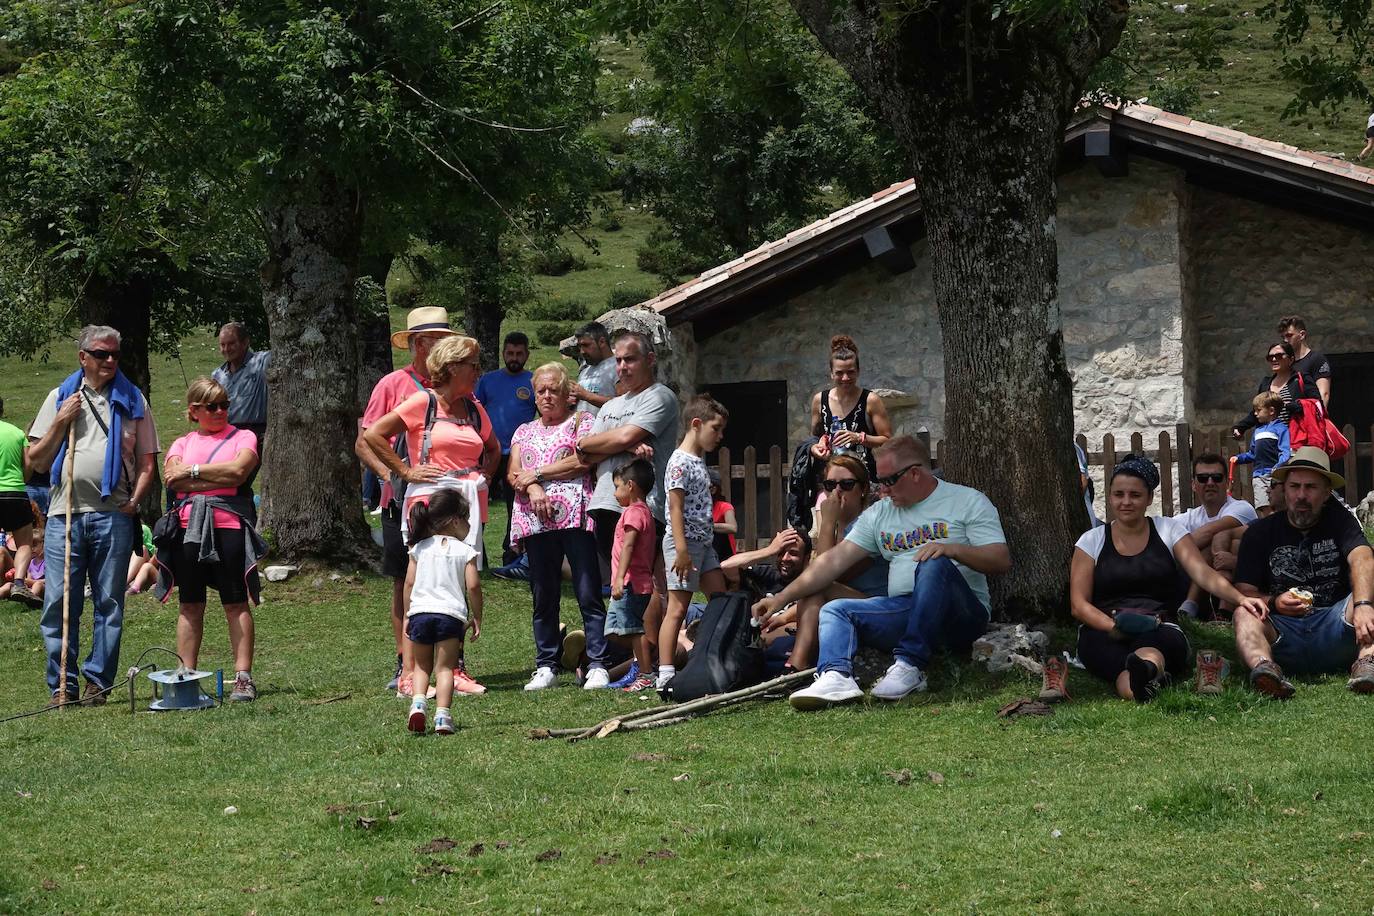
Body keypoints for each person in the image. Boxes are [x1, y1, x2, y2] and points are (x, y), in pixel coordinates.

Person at [754, 436, 1009, 709]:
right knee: (836, 609)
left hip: (959, 614)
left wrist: (953, 550)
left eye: (889, 481)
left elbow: (1000, 560)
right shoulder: (881, 514)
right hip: (903, 609)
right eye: (879, 480)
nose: (882, 490)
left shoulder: (966, 501)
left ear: (914, 473)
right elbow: (830, 565)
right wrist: (779, 601)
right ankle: (835, 676)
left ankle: (910, 664)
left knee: (934, 565)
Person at [27, 325, 160, 706]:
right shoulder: (60, 396)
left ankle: (97, 682)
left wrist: (134, 502)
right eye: (102, 354)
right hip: (63, 514)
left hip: (113, 516)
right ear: (83, 357)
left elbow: (149, 462)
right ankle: (61, 685)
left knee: (109, 603)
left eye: (115, 354)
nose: (110, 361)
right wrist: (59, 422)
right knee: (58, 601)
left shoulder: (133, 400)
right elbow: (35, 461)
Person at [1066, 455, 1267, 703]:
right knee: (1125, 674)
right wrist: (1115, 628)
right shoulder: (1091, 540)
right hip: (1103, 628)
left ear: (1149, 498)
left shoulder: (1168, 530)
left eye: (1135, 495)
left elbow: (1202, 572)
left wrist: (1240, 599)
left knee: (1150, 652)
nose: (1126, 502)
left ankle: (1148, 672)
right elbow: (1079, 604)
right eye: (1119, 494)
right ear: (1110, 496)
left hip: (1159, 626)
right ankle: (1145, 682)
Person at [364, 334, 499, 697]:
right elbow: (374, 435)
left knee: (458, 579)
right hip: (428, 503)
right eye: (473, 365)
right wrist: (405, 472)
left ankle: (453, 668)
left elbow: (494, 447)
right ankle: (411, 670)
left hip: (464, 504)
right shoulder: (422, 402)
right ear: (453, 367)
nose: (478, 372)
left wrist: (484, 474)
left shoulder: (472, 408)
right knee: (423, 584)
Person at [355, 306, 454, 693]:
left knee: (450, 572)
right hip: (401, 498)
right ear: (417, 344)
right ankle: (405, 663)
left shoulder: (457, 384)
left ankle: (451, 663)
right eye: (436, 341)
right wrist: (389, 475)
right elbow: (365, 441)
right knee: (404, 579)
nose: (443, 347)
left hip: (448, 497)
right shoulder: (394, 384)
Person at [1232, 447, 1374, 698]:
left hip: (1336, 626)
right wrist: (1275, 602)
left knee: (1369, 591)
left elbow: (1362, 557)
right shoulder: (1259, 533)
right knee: (1244, 611)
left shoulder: (1341, 521)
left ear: (1327, 493)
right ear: (1284, 490)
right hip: (1283, 633)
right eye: (1294, 486)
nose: (1301, 495)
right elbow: (1245, 592)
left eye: (1311, 487)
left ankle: (1366, 663)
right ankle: (1265, 669)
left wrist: (1363, 604)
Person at [160, 376, 263, 701]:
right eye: (213, 406)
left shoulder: (244, 436)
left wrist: (193, 473)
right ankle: (186, 675)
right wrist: (213, 475)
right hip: (188, 529)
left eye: (225, 405)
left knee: (235, 602)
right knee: (190, 604)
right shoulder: (181, 442)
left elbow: (238, 473)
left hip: (229, 526)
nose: (221, 411)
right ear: (194, 411)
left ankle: (243, 677)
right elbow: (173, 481)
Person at [505, 363, 608, 691]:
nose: (547, 396)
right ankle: (546, 664)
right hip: (537, 522)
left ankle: (598, 663)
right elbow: (513, 473)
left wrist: (538, 474)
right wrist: (533, 486)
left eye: (554, 390)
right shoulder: (524, 431)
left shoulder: (583, 422)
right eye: (541, 391)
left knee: (588, 590)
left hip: (576, 518)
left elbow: (583, 460)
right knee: (543, 593)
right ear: (534, 396)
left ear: (568, 395)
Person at [576, 330, 680, 578]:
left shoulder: (660, 396)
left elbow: (616, 439)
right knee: (616, 583)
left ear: (650, 360)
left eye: (630, 359)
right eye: (618, 360)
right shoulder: (611, 405)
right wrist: (624, 444)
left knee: (640, 583)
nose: (622, 367)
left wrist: (614, 442)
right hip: (604, 502)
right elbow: (585, 453)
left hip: (641, 507)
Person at [658, 395, 730, 692]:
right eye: (716, 428)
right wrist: (682, 550)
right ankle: (664, 672)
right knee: (677, 608)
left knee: (721, 600)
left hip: (705, 544)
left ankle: (712, 657)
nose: (720, 436)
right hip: (684, 546)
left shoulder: (699, 460)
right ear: (696, 424)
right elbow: (675, 509)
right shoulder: (679, 462)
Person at [403, 489, 482, 736]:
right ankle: (442, 717)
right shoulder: (465, 551)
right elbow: (474, 586)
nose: (470, 524)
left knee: (421, 668)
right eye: (468, 518)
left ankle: (418, 705)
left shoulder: (419, 548)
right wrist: (478, 616)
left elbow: (408, 583)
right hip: (450, 617)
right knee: (445, 669)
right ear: (455, 520)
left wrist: (407, 613)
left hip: (420, 614)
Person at [475, 331, 535, 567]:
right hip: (488, 452)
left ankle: (512, 555)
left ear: (527, 355)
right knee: (478, 502)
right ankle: (477, 554)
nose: (514, 357)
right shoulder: (487, 381)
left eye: (519, 353)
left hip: (518, 456)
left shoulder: (533, 381)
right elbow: (474, 412)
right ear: (503, 353)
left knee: (517, 507)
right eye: (510, 353)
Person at [1174, 453, 1258, 619]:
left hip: (1239, 578)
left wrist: (1179, 548)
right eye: (1203, 478)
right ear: (1193, 484)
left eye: (1217, 478)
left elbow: (1210, 532)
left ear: (1227, 483)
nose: (1210, 483)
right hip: (1205, 581)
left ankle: (1204, 607)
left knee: (1216, 539)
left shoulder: (1242, 508)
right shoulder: (1189, 517)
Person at [808, 335, 892, 482]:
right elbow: (815, 437)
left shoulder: (870, 400)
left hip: (865, 481)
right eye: (839, 373)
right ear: (831, 373)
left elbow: (887, 440)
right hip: (831, 480)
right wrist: (817, 446)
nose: (845, 378)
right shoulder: (819, 401)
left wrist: (860, 437)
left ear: (858, 371)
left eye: (851, 372)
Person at [605, 459, 658, 692]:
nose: (615, 493)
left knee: (633, 630)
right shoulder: (643, 512)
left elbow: (628, 546)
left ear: (630, 486)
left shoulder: (634, 513)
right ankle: (645, 661)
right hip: (633, 583)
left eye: (617, 487)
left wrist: (619, 578)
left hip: (631, 584)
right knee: (616, 630)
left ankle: (646, 673)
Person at [0, 396, 40, 608]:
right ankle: (18, 583)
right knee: (24, 542)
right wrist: (21, 479)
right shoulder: (16, 433)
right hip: (14, 492)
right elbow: (28, 465)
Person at [1231, 341, 1314, 441]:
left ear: (1291, 359)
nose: (1274, 359)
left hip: (1296, 440)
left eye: (1279, 356)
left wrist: (1295, 406)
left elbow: (1317, 405)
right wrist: (1241, 427)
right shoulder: (1266, 383)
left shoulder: (1302, 379)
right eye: (1270, 357)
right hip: (1270, 441)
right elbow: (1258, 411)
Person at [210, 321, 271, 454]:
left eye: (231, 343)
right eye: (222, 345)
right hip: (227, 434)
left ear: (245, 343)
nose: (226, 349)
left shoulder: (261, 362)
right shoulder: (217, 375)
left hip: (256, 433)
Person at [1234, 392, 1291, 517]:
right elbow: (1253, 454)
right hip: (1258, 476)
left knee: (1280, 507)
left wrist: (1279, 466)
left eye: (1258, 410)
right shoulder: (1257, 431)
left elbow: (1285, 451)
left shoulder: (1281, 429)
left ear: (1271, 410)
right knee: (1264, 507)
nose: (1255, 414)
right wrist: (1239, 458)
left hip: (1275, 476)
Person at [1278, 316, 1331, 408]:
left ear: (1302, 335)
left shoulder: (1316, 359)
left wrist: (1318, 419)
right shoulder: (1287, 362)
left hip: (1308, 416)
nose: (1285, 340)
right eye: (1283, 337)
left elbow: (1324, 394)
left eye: (1289, 335)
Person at [569, 321, 617, 416]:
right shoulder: (585, 371)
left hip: (608, 430)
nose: (582, 351)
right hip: (582, 429)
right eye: (580, 346)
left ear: (602, 342)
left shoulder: (619, 367)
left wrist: (586, 395)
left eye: (586, 345)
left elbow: (625, 404)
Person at [708, 469, 739, 590]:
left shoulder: (724, 507)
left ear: (713, 489)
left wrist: (710, 526)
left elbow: (733, 527)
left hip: (725, 555)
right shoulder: (700, 509)